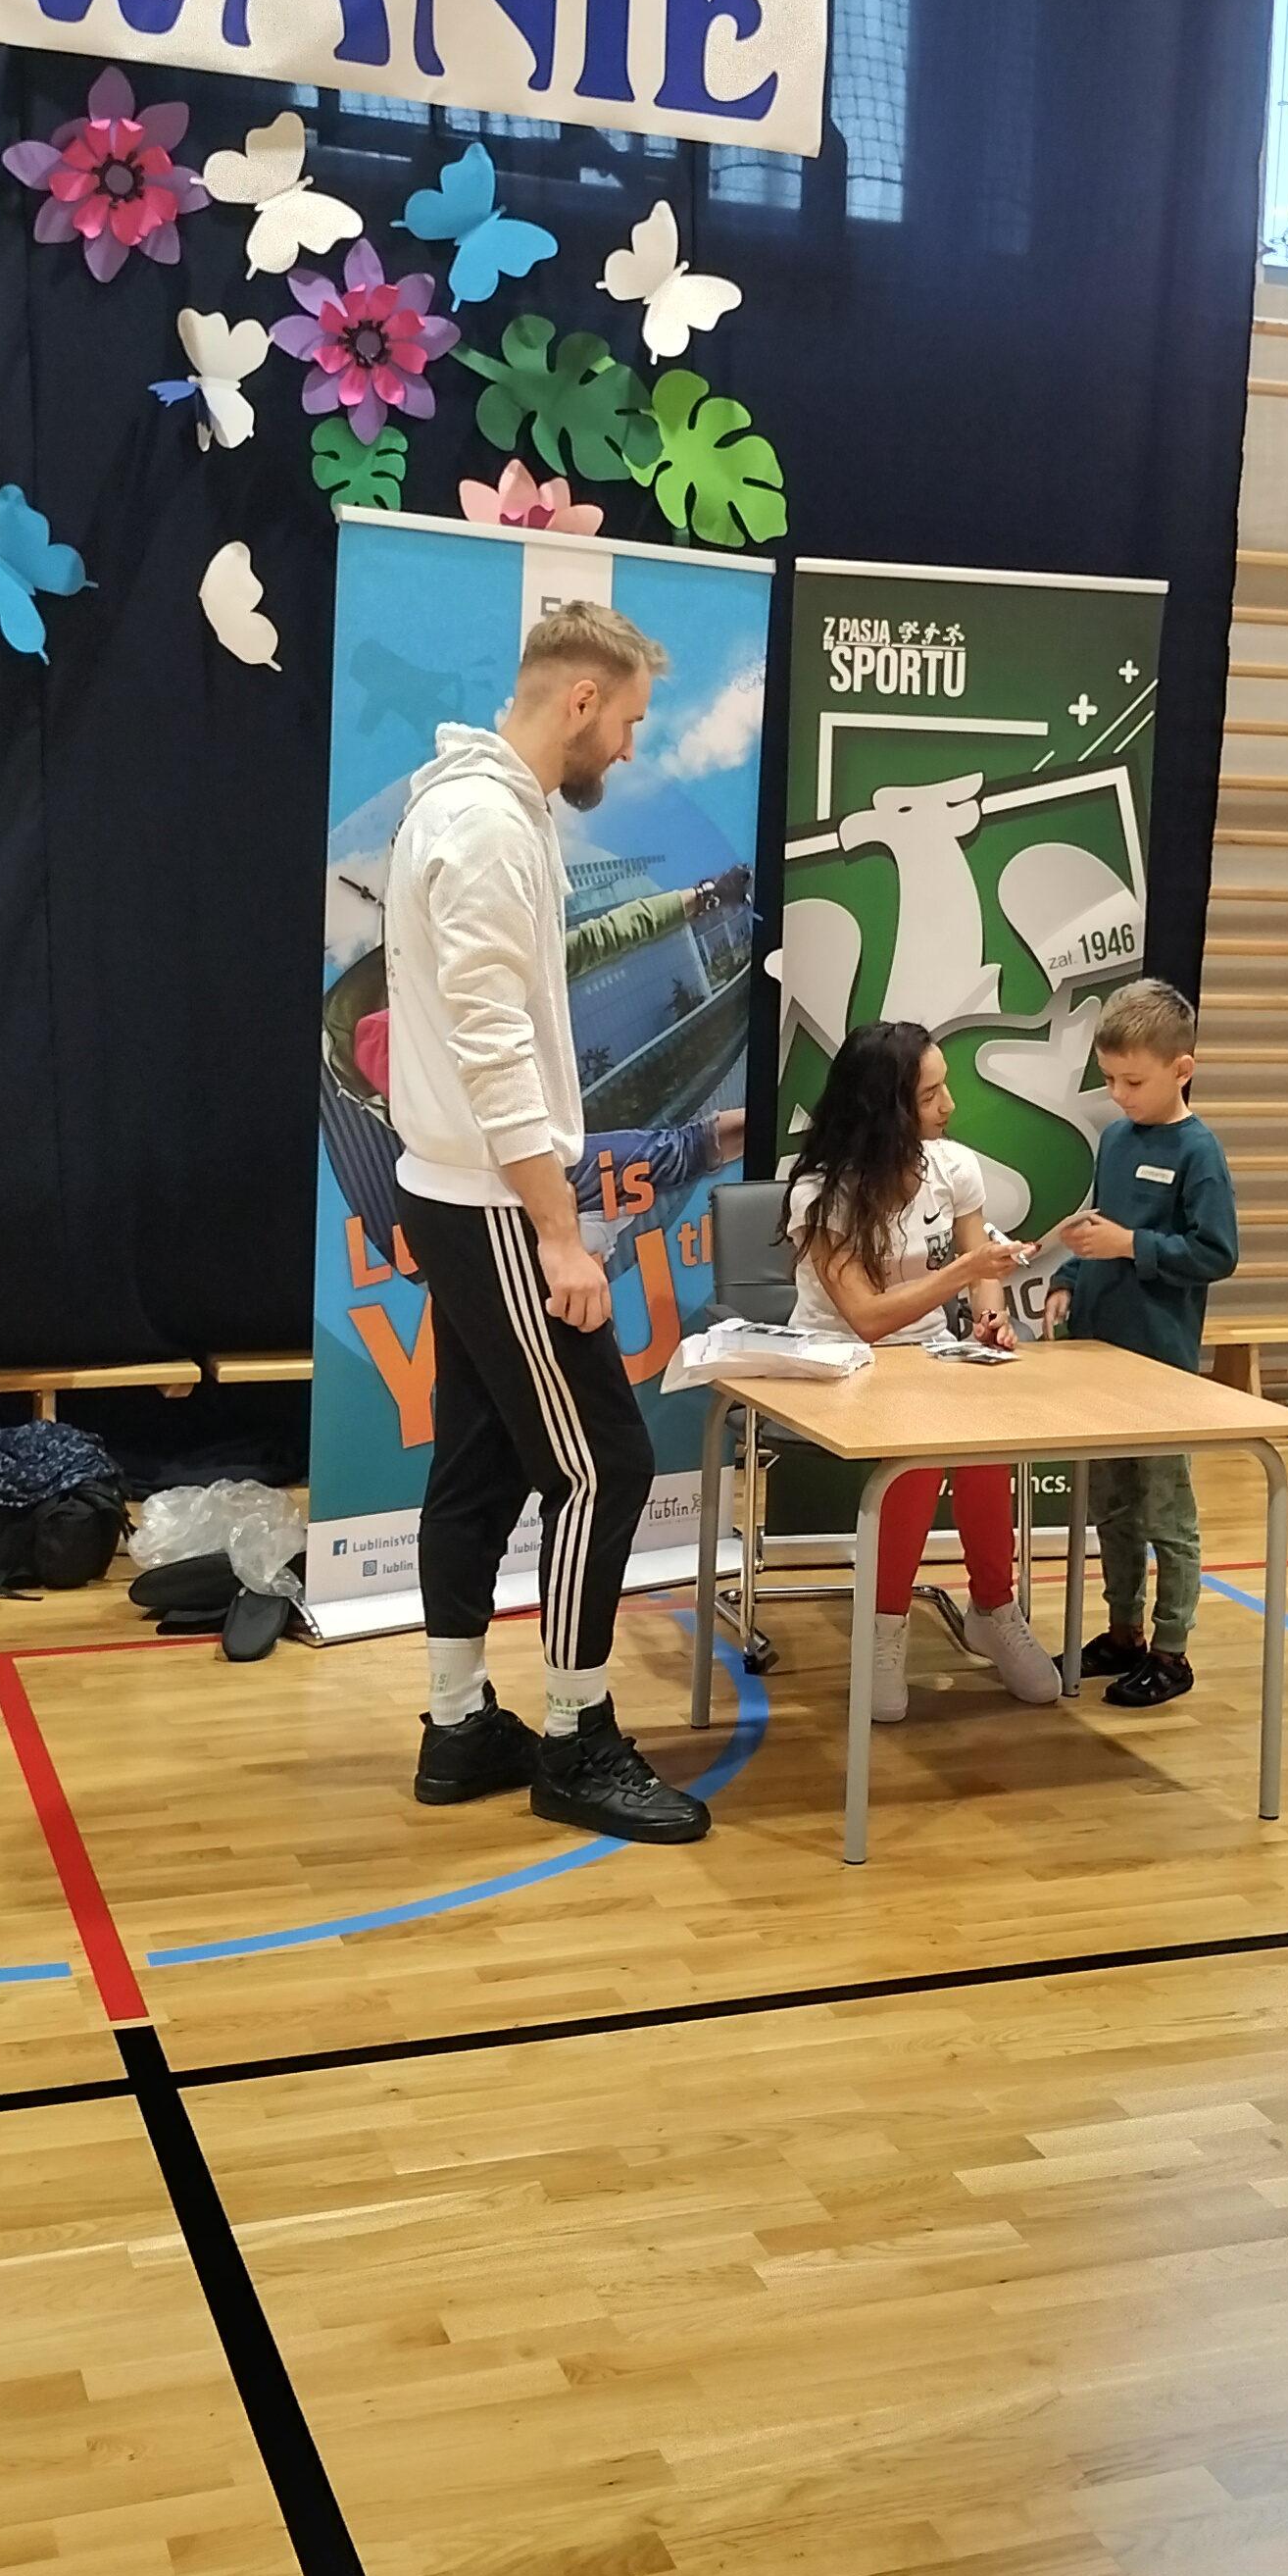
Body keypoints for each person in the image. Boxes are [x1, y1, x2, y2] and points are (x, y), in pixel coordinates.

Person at [386, 600, 712, 1844]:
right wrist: (559, 1231)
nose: (628, 747)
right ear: (580, 699)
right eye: (627, 721)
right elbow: (492, 1046)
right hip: (494, 1205)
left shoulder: (476, 807)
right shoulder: (483, 824)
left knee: (478, 1457)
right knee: (600, 1466)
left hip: (459, 1191)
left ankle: (459, 1722)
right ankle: (576, 1738)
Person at [784, 1020, 1063, 1726]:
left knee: (986, 1438)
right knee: (921, 1444)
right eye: (930, 1094)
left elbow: (981, 1269)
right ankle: (884, 1625)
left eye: (945, 1089)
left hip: (930, 1353)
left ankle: (994, 1608)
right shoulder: (822, 1194)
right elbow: (866, 1318)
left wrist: (989, 1315)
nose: (949, 1106)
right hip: (836, 1359)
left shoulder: (954, 1167)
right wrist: (966, 1271)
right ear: (884, 1107)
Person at [1047, 977, 1241, 1708]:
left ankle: (1172, 1648)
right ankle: (1123, 1631)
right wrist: (1069, 1276)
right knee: (1114, 1508)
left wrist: (1133, 1245)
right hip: (1100, 1355)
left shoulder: (1199, 1152)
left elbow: (1216, 1253)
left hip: (1160, 1363)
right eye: (1110, 1079)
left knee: (1166, 1513)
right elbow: (1100, 1223)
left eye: (1133, 1081)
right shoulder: (1115, 1139)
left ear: (1181, 1069)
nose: (1119, 1094)